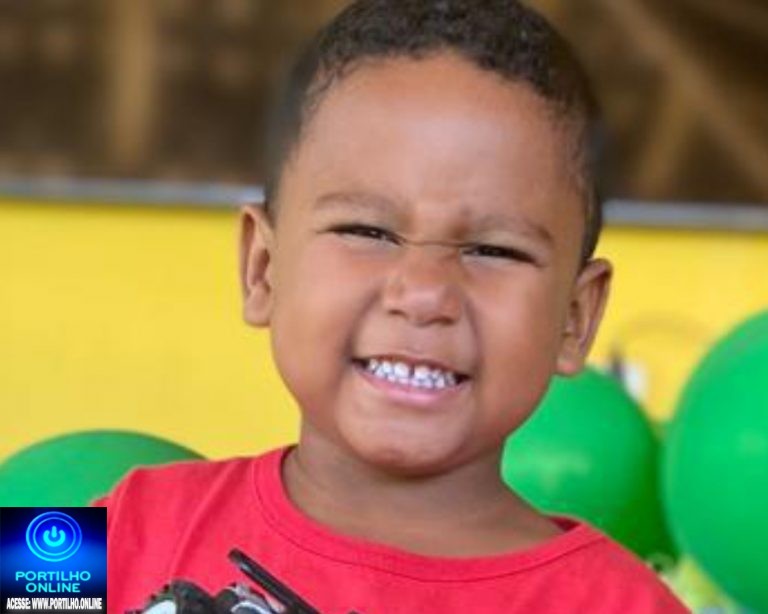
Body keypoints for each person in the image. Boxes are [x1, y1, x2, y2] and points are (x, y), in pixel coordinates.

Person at [96, 1, 689, 612]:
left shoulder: (627, 606)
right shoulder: (117, 526)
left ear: (575, 317)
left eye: (494, 250)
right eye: (367, 232)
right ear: (263, 267)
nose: (424, 292)